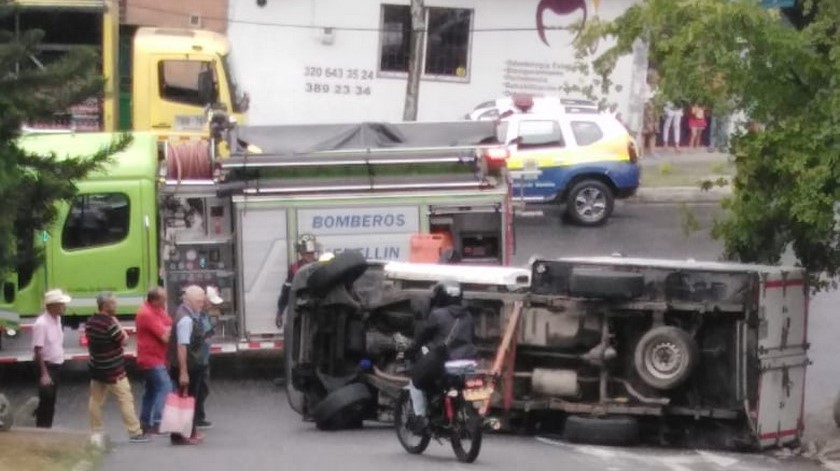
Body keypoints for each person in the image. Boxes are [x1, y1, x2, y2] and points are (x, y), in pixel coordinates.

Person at [406, 280, 477, 432]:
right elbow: (473, 338)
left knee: (415, 381)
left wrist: (412, 350)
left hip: (445, 362)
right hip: (467, 362)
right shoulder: (468, 316)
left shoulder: (437, 315)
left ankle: (421, 418)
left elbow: (422, 337)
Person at [86, 292, 150, 443]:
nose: (116, 306)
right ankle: (134, 432)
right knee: (125, 398)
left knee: (95, 400)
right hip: (114, 370)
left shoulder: (90, 322)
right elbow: (125, 340)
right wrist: (118, 324)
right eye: (113, 303)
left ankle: (96, 431)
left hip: (97, 368)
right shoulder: (110, 324)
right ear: (105, 305)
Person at [167, 285, 210, 445]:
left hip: (191, 365)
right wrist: (183, 372)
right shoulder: (185, 319)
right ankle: (181, 435)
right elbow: (182, 346)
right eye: (199, 301)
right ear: (189, 301)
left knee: (188, 400)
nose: (202, 304)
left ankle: (188, 432)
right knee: (185, 401)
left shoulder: (187, 312)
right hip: (188, 367)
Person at [136, 287, 173, 435]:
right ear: (155, 300)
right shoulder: (147, 314)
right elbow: (165, 337)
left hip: (156, 357)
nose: (165, 301)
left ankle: (145, 422)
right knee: (165, 387)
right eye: (163, 299)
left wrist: (168, 329)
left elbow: (170, 324)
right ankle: (159, 421)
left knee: (151, 390)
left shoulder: (157, 310)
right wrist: (168, 330)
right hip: (151, 358)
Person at [32, 289, 71, 428]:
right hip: (48, 366)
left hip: (57, 364)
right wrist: (44, 374)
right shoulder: (41, 324)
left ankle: (47, 427)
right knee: (46, 401)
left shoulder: (58, 320)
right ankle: (41, 429)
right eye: (61, 304)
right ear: (52, 306)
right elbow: (38, 349)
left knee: (51, 401)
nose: (64, 307)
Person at [194, 286, 224, 430]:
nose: (212, 305)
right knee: (199, 389)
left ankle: (199, 417)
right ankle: (196, 418)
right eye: (210, 302)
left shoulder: (204, 314)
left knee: (203, 389)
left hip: (204, 358)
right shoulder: (197, 316)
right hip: (198, 359)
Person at [276, 234, 318, 331]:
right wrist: (280, 312)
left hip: (318, 305)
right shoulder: (294, 268)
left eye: (311, 252)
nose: (309, 254)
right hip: (301, 306)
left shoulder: (321, 265)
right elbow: (286, 291)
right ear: (301, 253)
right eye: (306, 252)